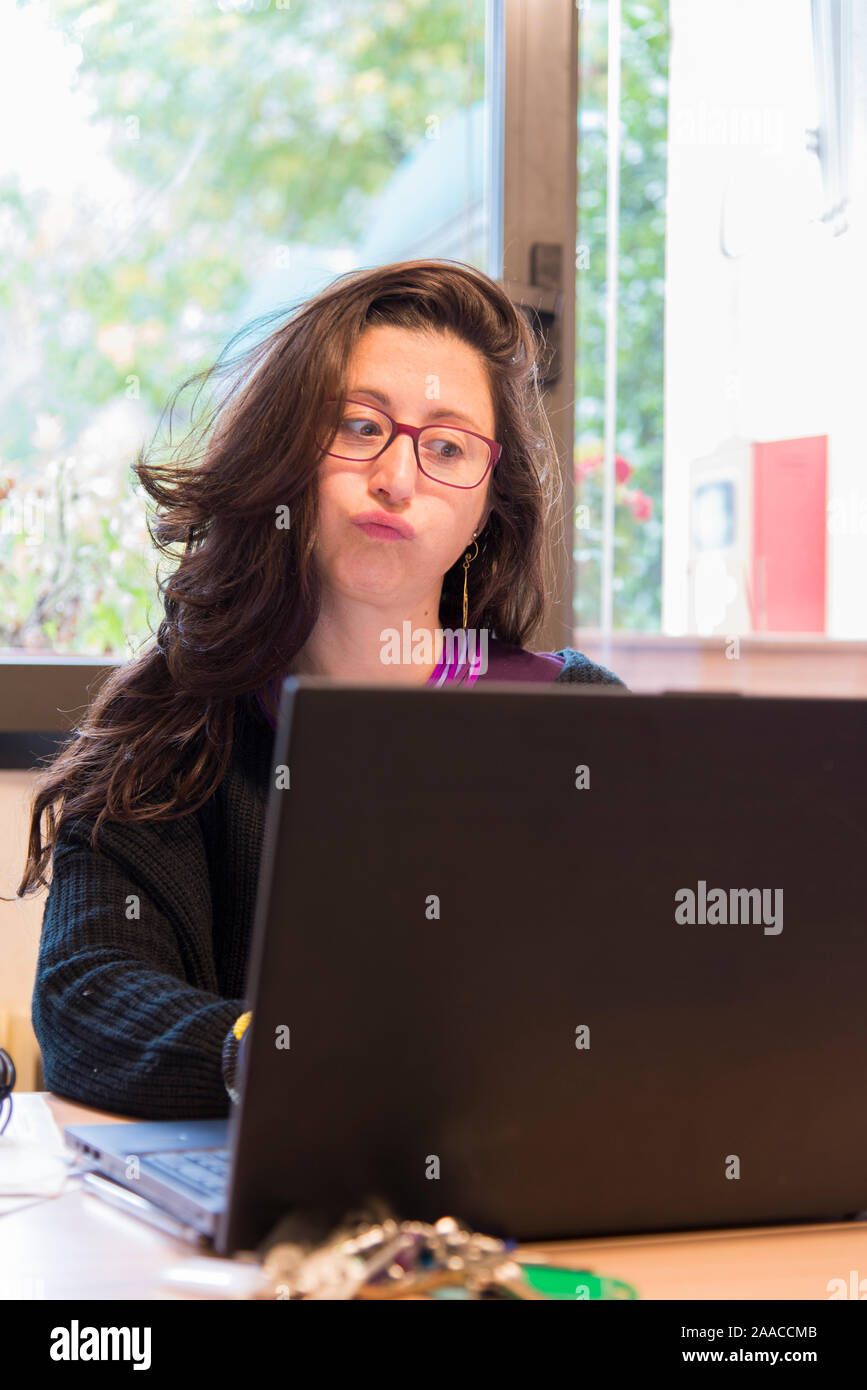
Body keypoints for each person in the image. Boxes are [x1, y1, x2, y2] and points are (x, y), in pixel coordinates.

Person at [14, 258, 625, 1120]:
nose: (397, 480)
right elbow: (88, 1002)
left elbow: (664, 996)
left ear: (488, 502)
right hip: (266, 1226)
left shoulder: (577, 725)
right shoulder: (173, 728)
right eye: (358, 426)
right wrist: (295, 1060)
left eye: (446, 446)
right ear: (286, 452)